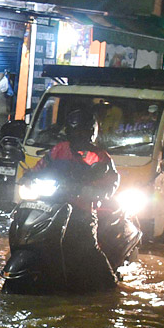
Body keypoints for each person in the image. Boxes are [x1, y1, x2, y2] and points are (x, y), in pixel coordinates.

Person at [32, 105, 120, 290]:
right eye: (74, 132)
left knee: (89, 248)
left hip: (81, 211)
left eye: (81, 132)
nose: (78, 136)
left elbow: (111, 183)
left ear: (90, 133)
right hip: (52, 207)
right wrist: (29, 176)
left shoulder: (100, 157)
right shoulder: (59, 150)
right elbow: (42, 166)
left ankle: (109, 284)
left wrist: (92, 192)